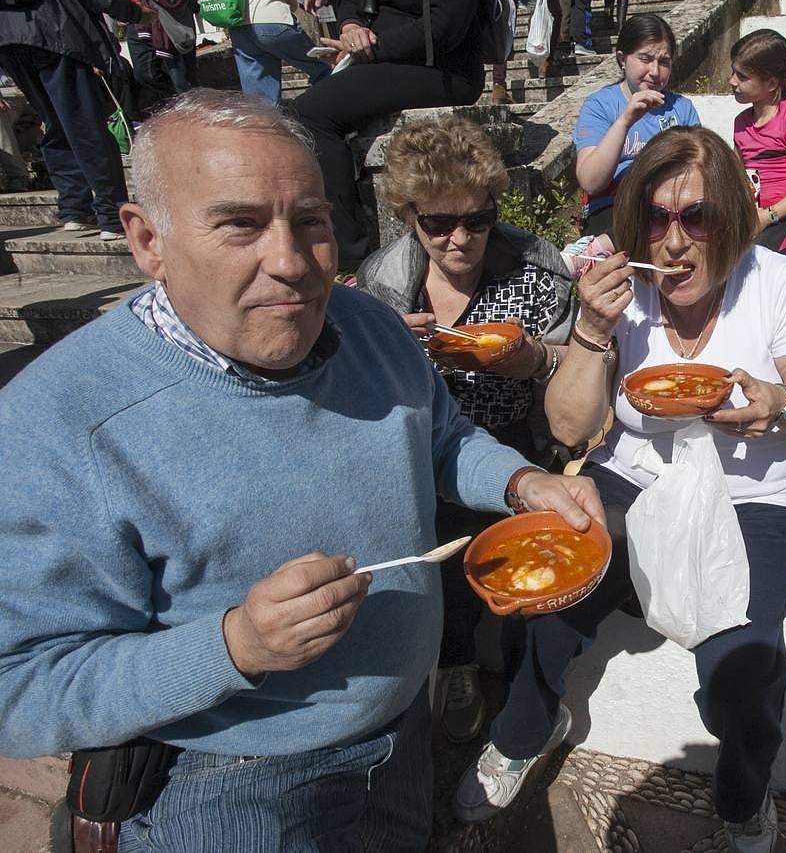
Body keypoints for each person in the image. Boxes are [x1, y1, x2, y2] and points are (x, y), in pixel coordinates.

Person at [0, 89, 602, 851]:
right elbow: (21, 687)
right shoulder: (56, 423)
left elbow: (441, 439)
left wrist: (521, 483)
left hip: (402, 732)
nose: (289, 263)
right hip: (227, 781)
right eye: (240, 224)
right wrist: (234, 645)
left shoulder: (372, 326)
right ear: (148, 240)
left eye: (310, 223)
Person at [453, 127, 786, 852]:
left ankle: (744, 799)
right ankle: (524, 732)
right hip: (633, 474)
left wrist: (779, 405)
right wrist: (593, 332)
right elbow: (571, 428)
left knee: (743, 666)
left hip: (751, 493)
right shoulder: (622, 295)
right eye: (657, 219)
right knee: (550, 598)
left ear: (729, 216)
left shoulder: (770, 281)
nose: (673, 241)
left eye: (695, 216)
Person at [354, 113, 577, 743]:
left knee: (524, 553)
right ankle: (455, 663)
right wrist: (386, 349)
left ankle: (516, 671)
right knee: (439, 551)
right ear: (410, 217)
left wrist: (531, 358)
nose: (459, 239)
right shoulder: (382, 284)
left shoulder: (534, 267)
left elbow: (570, 372)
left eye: (476, 220)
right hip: (424, 448)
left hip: (515, 438)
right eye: (437, 223)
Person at [292, 0, 488, 268]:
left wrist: (372, 49)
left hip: (441, 68)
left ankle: (347, 255)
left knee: (311, 112)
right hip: (383, 58)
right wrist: (351, 27)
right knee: (306, 111)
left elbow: (446, 25)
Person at [0, 0, 149, 240]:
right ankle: (111, 214)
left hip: (9, 41)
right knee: (84, 121)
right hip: (55, 30)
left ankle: (75, 208)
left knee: (53, 120)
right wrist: (136, 14)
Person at [574, 14, 700, 235]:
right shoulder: (600, 106)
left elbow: (700, 170)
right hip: (613, 209)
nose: (655, 71)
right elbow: (591, 182)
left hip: (671, 208)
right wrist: (625, 121)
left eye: (664, 62)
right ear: (622, 58)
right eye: (645, 59)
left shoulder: (682, 109)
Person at [729, 29, 786, 253]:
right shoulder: (741, 122)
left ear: (772, 84)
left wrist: (768, 216)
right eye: (733, 72)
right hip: (755, 216)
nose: (732, 81)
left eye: (742, 76)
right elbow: (738, 177)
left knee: (755, 259)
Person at [230, 0, 329, 106]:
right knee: (323, 68)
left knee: (260, 102)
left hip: (238, 24)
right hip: (271, 17)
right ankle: (327, 116)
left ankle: (265, 128)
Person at [115, 0, 199, 112]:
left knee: (182, 79)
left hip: (168, 15)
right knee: (144, 74)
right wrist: (124, 4)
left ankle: (192, 114)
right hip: (137, 19)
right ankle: (177, 109)